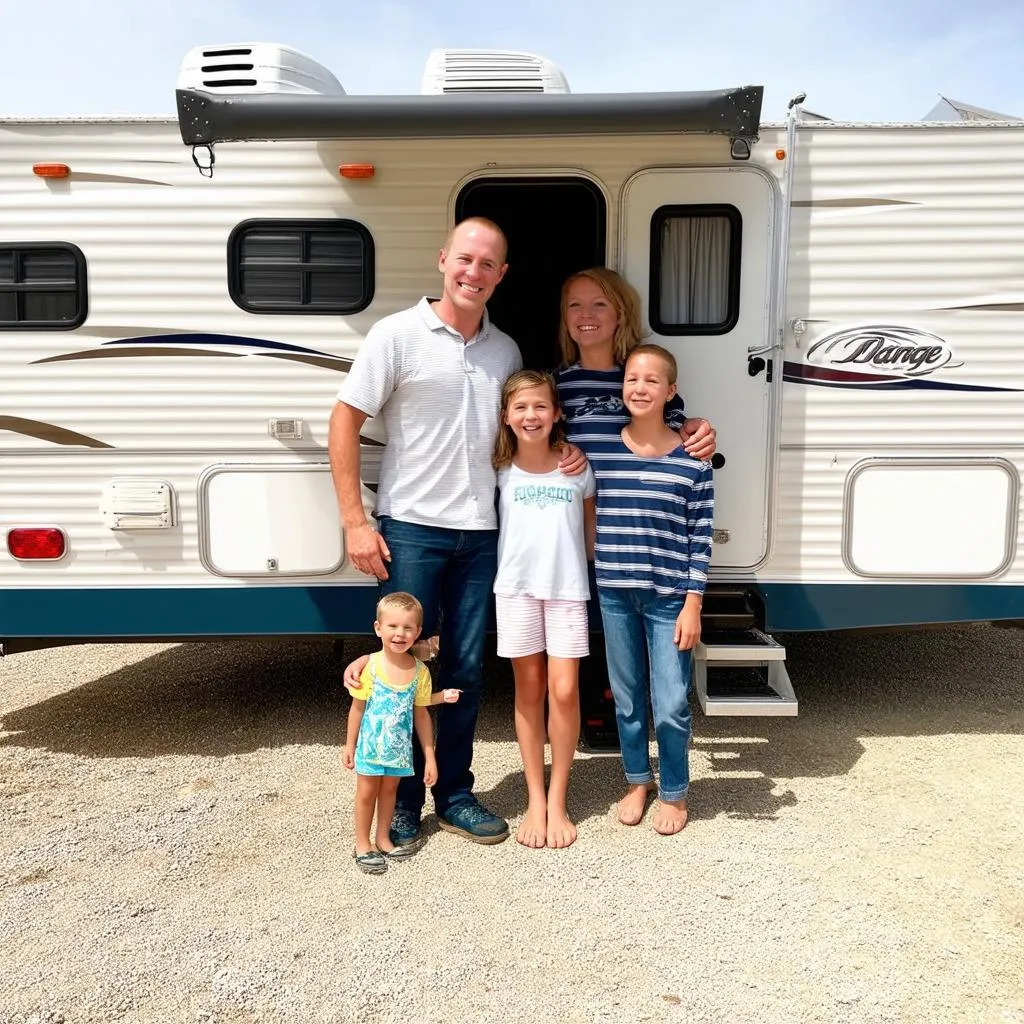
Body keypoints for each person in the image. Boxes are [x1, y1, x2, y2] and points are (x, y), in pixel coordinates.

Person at [328, 217, 586, 852]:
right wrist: (354, 521)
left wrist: (569, 456)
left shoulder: (505, 352)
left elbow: (525, 433)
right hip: (411, 527)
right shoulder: (396, 335)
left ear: (502, 276)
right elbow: (344, 418)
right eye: (465, 259)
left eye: (488, 264)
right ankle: (404, 801)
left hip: (482, 535)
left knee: (466, 667)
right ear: (445, 260)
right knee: (404, 666)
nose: (474, 272)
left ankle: (457, 793)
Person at [590, 344, 714, 835]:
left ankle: (676, 793)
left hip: (669, 599)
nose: (639, 388)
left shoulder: (693, 460)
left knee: (670, 701)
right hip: (615, 593)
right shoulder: (599, 450)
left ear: (671, 391)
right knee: (626, 697)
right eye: (631, 380)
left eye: (651, 381)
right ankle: (637, 780)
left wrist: (693, 603)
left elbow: (700, 537)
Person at [492, 370, 597, 849]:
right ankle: (535, 796)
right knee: (528, 689)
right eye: (520, 407)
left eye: (540, 406)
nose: (530, 415)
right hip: (515, 590)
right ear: (506, 417)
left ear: (556, 413)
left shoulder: (576, 467)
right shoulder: (499, 469)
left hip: (566, 592)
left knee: (566, 689)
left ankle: (559, 796)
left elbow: (590, 532)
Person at [341, 592, 460, 874]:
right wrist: (349, 745)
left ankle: (383, 838)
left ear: (418, 632)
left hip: (398, 749)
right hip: (371, 747)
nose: (400, 633)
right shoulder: (369, 667)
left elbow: (421, 711)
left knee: (391, 791)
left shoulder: (420, 671)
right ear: (378, 628)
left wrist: (430, 757)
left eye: (408, 627)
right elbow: (357, 709)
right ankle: (362, 843)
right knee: (367, 792)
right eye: (392, 626)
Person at [554, 266, 717, 462]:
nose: (585, 314)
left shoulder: (644, 378)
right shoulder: (556, 384)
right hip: (580, 491)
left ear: (621, 314)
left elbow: (680, 429)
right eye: (574, 305)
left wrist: (697, 432)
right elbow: (542, 440)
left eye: (599, 304)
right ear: (565, 316)